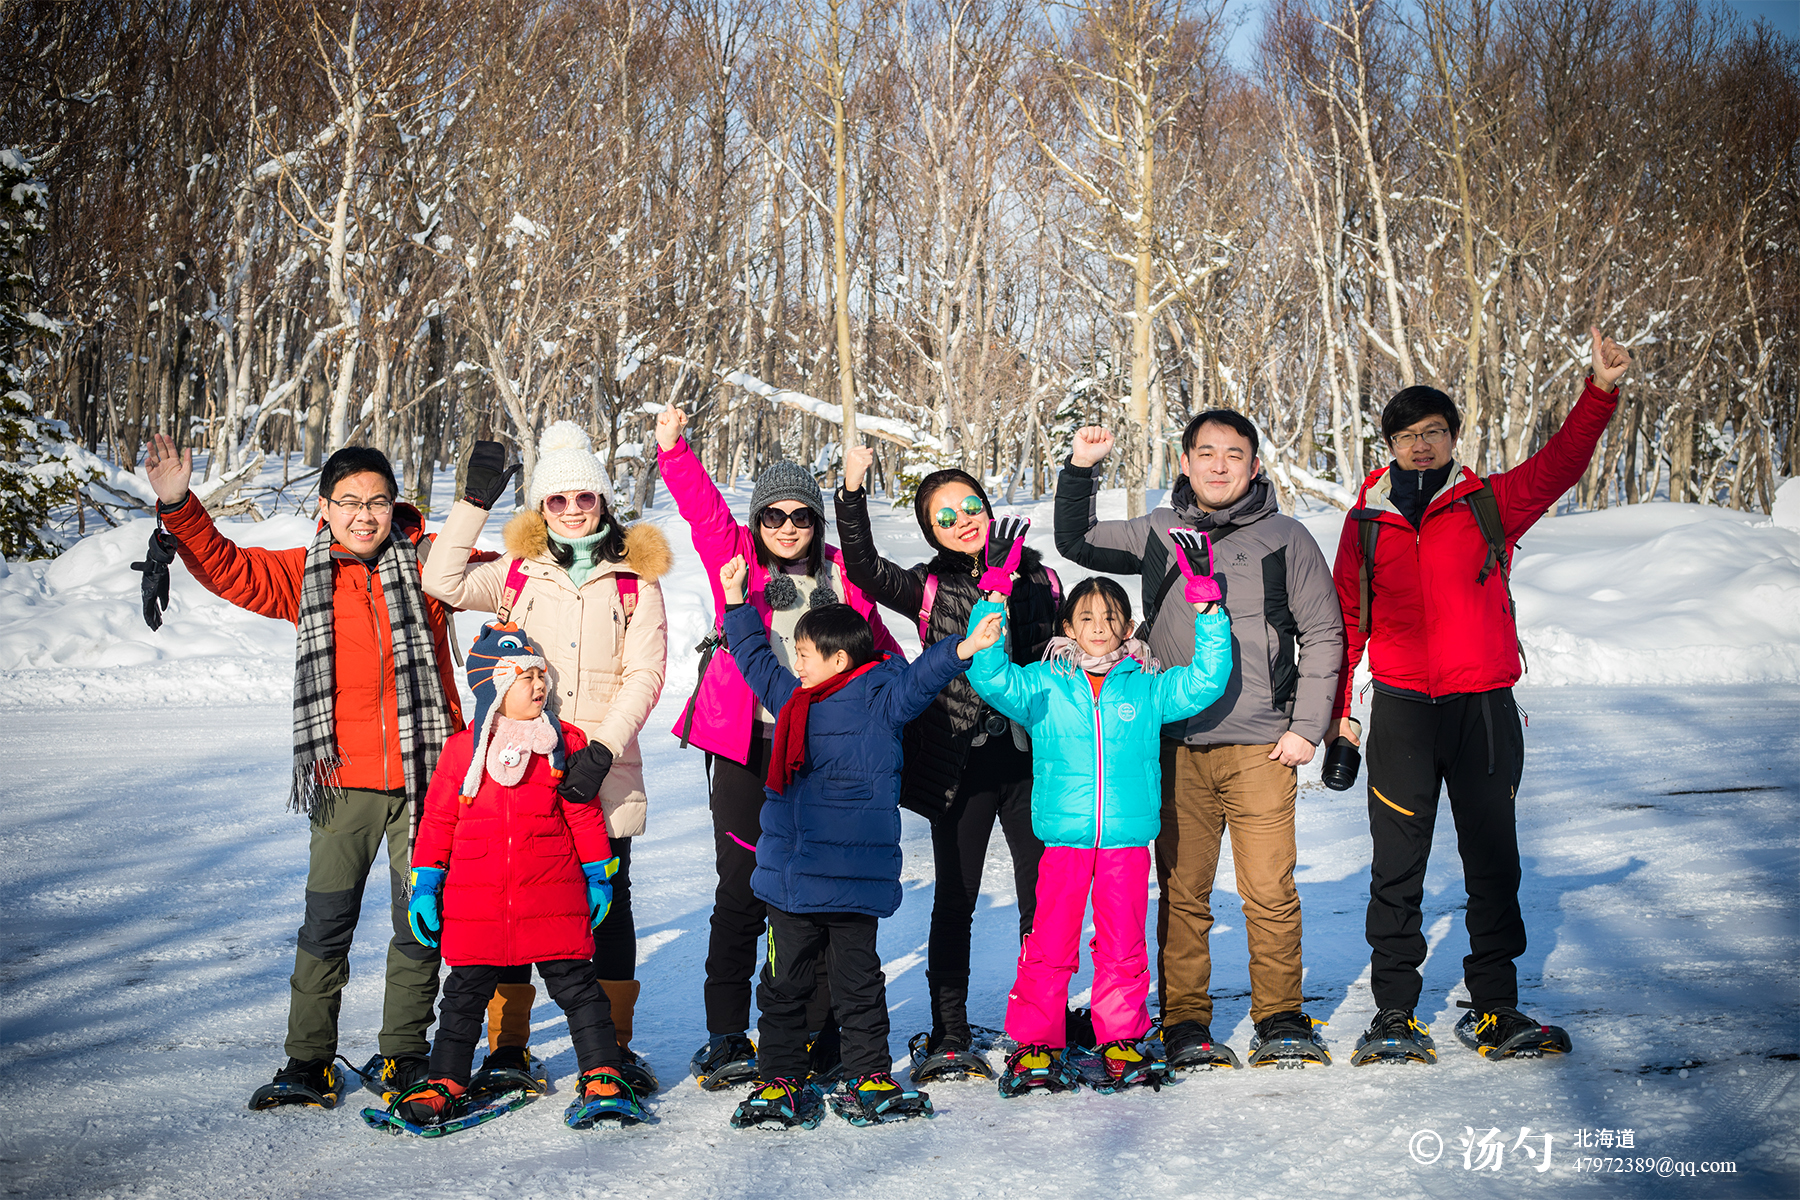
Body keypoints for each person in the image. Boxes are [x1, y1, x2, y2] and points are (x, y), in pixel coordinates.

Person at [141, 435, 474, 1108]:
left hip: (430, 777)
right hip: (342, 779)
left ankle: (405, 1054)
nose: (364, 515)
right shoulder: (305, 573)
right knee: (325, 924)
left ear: (396, 506)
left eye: (377, 501)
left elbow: (507, 577)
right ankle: (308, 1061)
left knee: (420, 922)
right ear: (324, 508)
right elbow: (230, 568)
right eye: (349, 502)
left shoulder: (432, 564)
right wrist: (178, 506)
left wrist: (490, 509)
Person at [1330, 328, 1632, 1065]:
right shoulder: (1366, 523)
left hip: (1485, 710)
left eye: (1433, 432)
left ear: (1454, 437)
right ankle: (1395, 1013)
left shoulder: (1488, 503)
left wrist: (1599, 392)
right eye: (1406, 436)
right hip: (1401, 710)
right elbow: (1346, 622)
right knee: (1395, 869)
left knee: (1494, 864)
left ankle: (1495, 1008)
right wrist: (1342, 713)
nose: (1420, 446)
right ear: (1390, 447)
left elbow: (1561, 466)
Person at [1054, 410, 1346, 1068]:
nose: (1219, 465)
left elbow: (1324, 634)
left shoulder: (1287, 538)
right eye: (1206, 452)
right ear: (1184, 462)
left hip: (1261, 747)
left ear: (1254, 466)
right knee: (1183, 891)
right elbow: (1076, 540)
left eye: (1234, 454)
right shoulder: (1160, 530)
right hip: (1175, 744)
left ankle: (1280, 1016)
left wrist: (1307, 729)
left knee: (1269, 889)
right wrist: (1079, 469)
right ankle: (1185, 1018)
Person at [653, 406, 902, 1089]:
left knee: (818, 895)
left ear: (816, 523)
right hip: (745, 745)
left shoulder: (844, 577)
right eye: (774, 515)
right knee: (742, 891)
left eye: (800, 515)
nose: (787, 527)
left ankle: (814, 1035)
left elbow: (878, 648)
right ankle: (728, 1034)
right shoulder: (737, 562)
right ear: (758, 521)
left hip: (821, 755)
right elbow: (705, 514)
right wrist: (674, 451)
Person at [421, 421, 669, 1093]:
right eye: (555, 501)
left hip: (600, 768)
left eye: (582, 498)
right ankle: (509, 1049)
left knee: (609, 903)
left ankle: (613, 1050)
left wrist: (604, 750)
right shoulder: (517, 575)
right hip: (521, 764)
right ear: (540, 508)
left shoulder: (633, 582)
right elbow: (441, 578)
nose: (570, 511)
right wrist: (475, 500)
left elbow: (644, 675)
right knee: (513, 898)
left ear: (603, 499)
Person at [715, 554, 1004, 1128]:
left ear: (839, 657)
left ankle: (868, 1070)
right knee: (782, 984)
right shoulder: (793, 699)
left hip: (850, 883)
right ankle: (780, 1077)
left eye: (802, 653)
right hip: (792, 880)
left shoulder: (881, 697)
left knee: (859, 982)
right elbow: (750, 657)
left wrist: (963, 649)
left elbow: (923, 677)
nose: (793, 663)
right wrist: (733, 604)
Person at [833, 444, 1059, 1079]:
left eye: (971, 506)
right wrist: (851, 496)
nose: (963, 520)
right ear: (931, 531)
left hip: (1029, 757)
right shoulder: (928, 586)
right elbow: (864, 568)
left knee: (1039, 893)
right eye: (945, 517)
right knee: (955, 895)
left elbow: (1055, 644)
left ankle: (1039, 1020)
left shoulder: (1040, 576)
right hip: (957, 762)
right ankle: (949, 1029)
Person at [964, 566, 1231, 1095]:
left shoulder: (1149, 685)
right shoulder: (1043, 683)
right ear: (1068, 624)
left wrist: (1208, 610)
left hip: (1126, 841)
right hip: (1064, 839)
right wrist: (992, 596)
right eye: (1087, 617)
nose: (1099, 625)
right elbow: (990, 675)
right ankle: (1038, 1041)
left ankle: (1120, 1036)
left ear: (1128, 626)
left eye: (1111, 616)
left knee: (1123, 943)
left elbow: (1205, 680)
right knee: (1050, 942)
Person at [390, 622, 643, 1127]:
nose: (539, 684)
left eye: (540, 674)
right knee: (463, 996)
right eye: (524, 677)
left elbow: (582, 812)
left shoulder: (561, 744)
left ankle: (602, 1071)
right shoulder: (464, 751)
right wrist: (425, 882)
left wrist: (598, 872)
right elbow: (439, 820)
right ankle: (446, 1078)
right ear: (495, 690)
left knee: (579, 989)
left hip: (552, 896)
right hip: (477, 903)